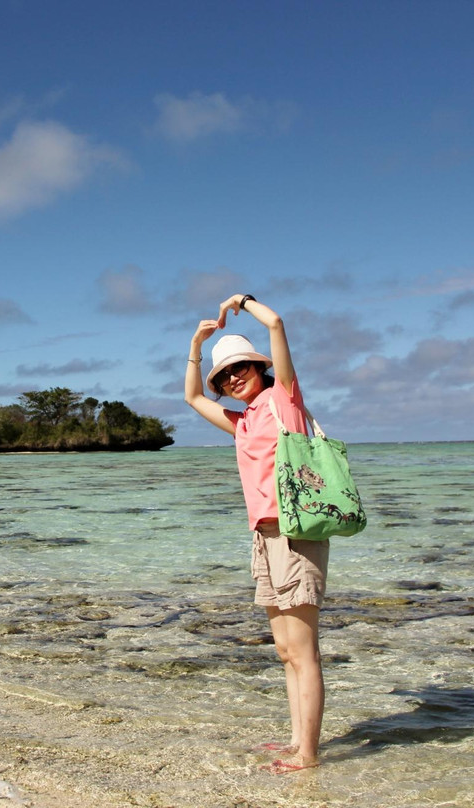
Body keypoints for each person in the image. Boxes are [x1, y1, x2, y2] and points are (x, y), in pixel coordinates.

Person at [184, 293, 328, 775]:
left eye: (240, 366)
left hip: (296, 534)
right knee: (285, 650)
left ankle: (308, 755)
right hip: (265, 539)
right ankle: (295, 740)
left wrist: (241, 302)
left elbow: (279, 323)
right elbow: (191, 398)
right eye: (225, 374)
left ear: (259, 366)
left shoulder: (283, 402)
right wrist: (197, 346)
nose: (232, 377)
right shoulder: (242, 422)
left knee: (304, 651)